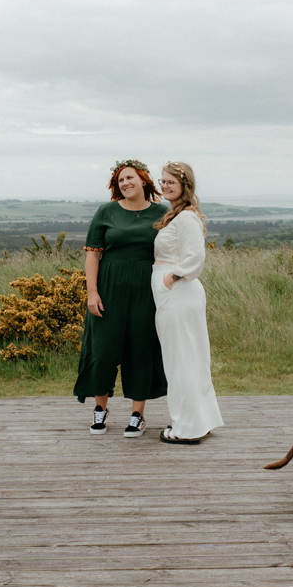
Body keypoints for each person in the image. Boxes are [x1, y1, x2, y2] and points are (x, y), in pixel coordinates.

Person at [74, 159, 168, 437]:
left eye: (129, 178)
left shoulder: (163, 213)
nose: (125, 183)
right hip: (109, 289)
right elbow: (93, 253)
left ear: (143, 180)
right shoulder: (106, 211)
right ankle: (100, 410)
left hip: (146, 291)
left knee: (140, 350)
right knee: (102, 351)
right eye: (120, 181)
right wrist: (92, 292)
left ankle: (137, 415)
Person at [151, 161, 224, 444]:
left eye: (171, 182)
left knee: (181, 359)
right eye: (163, 181)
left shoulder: (186, 218)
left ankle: (187, 427)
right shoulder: (177, 215)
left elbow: (195, 256)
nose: (165, 185)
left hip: (178, 292)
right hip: (173, 292)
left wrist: (174, 276)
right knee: (187, 357)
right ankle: (199, 419)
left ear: (185, 184)